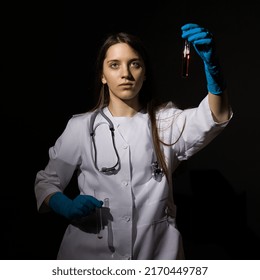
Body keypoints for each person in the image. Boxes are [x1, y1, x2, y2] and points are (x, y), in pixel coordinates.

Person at [34, 23, 232, 260]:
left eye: (134, 64)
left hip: (155, 256)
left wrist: (213, 69)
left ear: (145, 73)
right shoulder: (80, 127)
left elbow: (213, 117)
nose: (125, 74)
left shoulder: (166, 122)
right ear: (102, 75)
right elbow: (46, 182)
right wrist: (65, 206)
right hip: (88, 257)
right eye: (114, 65)